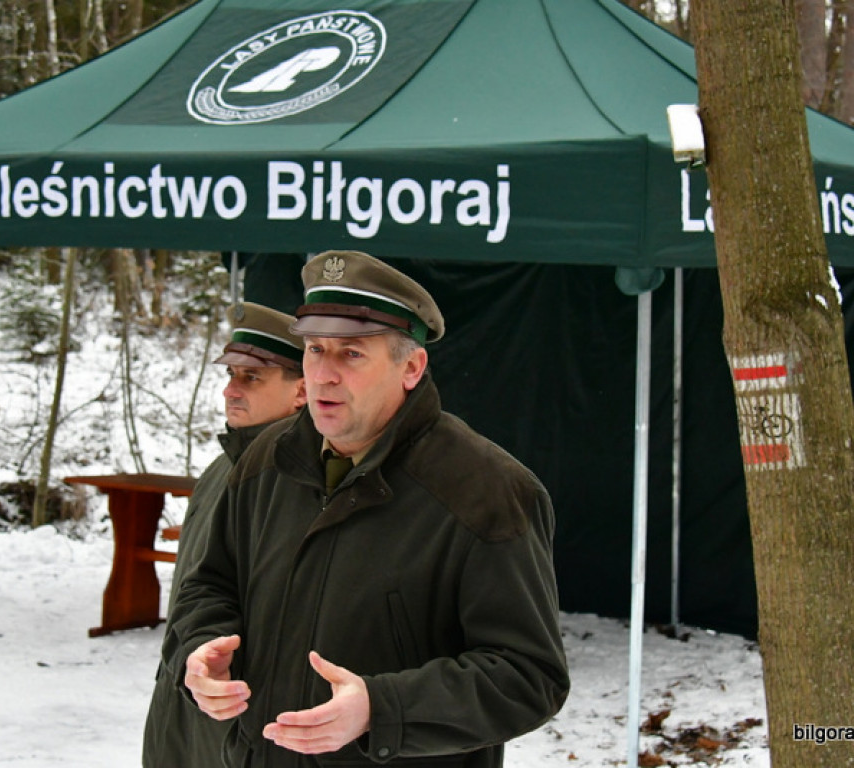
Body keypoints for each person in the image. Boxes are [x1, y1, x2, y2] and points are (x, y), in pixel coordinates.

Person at [164, 250, 570, 768]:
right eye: (314, 350)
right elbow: (209, 584)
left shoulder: (487, 491)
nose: (323, 376)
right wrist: (199, 653)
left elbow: (528, 676)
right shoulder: (266, 459)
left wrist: (382, 709)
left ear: (411, 367)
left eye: (351, 354)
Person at [142, 302, 307, 768]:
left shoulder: (300, 484)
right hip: (182, 700)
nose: (229, 390)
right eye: (232, 373)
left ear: (301, 390)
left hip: (241, 715)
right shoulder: (222, 468)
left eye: (251, 377)